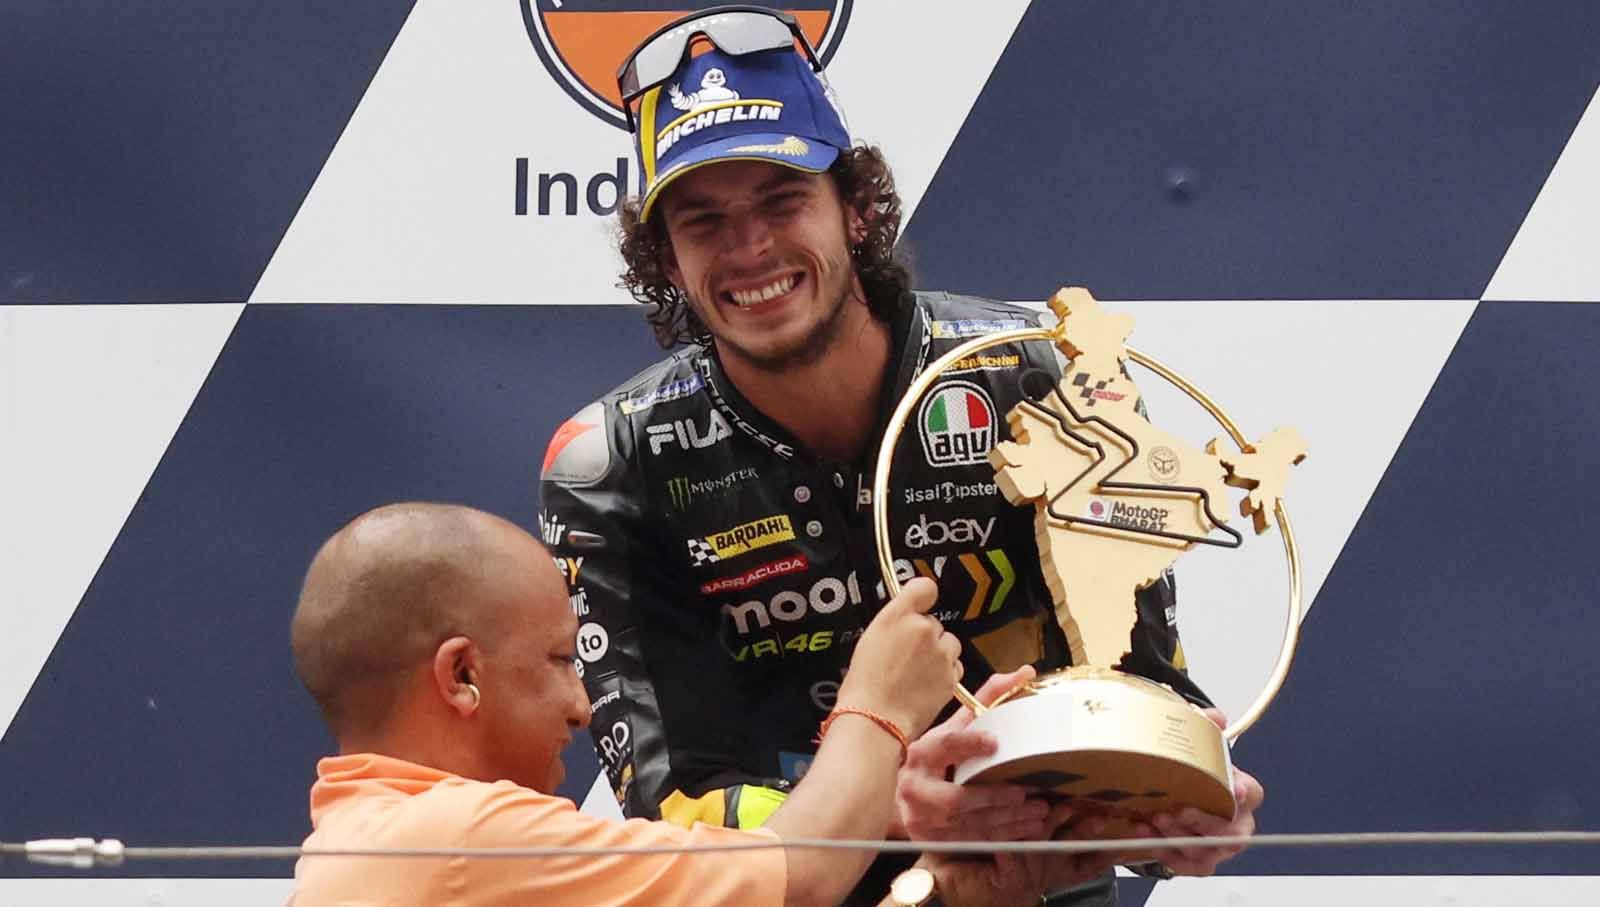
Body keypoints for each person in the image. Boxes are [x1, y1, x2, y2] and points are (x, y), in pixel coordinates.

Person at [539, 8, 1263, 904]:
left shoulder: (1045, 378)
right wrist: (897, 804)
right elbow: (674, 800)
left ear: (858, 209)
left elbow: (1134, 684)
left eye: (782, 200)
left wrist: (1174, 804)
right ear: (665, 259)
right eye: (704, 222)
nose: (751, 248)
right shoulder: (611, 465)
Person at [288, 502, 1117, 906]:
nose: (583, 705)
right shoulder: (456, 840)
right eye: (556, 659)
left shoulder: (374, 848)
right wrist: (881, 703)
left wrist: (945, 889)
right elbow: (805, 869)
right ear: (461, 674)